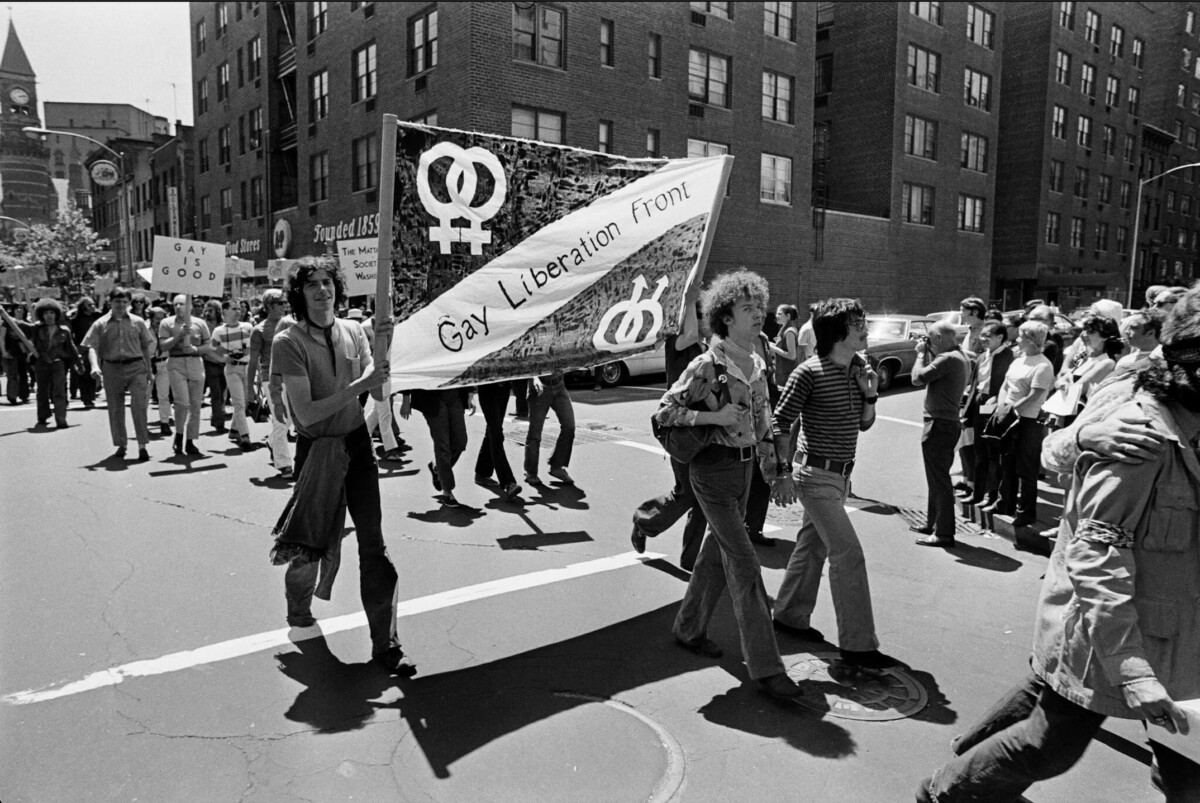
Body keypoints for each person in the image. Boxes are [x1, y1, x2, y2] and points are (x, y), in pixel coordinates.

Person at [917, 285, 1200, 803]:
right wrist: (1085, 439)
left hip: (1168, 623)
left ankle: (966, 762)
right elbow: (1056, 457)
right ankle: (950, 788)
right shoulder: (1138, 417)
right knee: (1051, 738)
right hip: (1105, 614)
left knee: (1051, 701)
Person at [657, 269, 803, 700]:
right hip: (712, 473)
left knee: (714, 558)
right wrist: (713, 417)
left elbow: (763, 424)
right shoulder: (706, 364)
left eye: (760, 305)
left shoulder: (756, 363)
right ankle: (768, 670)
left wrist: (777, 472)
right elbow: (665, 414)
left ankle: (688, 628)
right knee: (744, 564)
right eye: (748, 308)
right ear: (725, 318)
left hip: (743, 473)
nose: (759, 314)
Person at [266, 256, 414, 676]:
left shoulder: (353, 330)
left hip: (357, 447)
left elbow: (377, 382)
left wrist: (383, 350)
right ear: (300, 293)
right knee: (310, 545)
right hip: (317, 452)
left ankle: (385, 644)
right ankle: (299, 608)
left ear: (337, 288)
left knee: (373, 544)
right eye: (311, 284)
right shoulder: (287, 341)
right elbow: (308, 414)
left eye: (327, 282)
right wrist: (361, 385)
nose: (321, 291)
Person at [771, 297, 897, 670]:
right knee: (848, 554)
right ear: (838, 331)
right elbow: (780, 423)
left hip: (841, 476)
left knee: (812, 548)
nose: (866, 328)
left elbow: (864, 423)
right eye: (859, 322)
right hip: (813, 476)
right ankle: (858, 646)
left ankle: (789, 616)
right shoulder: (808, 372)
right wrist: (782, 474)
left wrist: (870, 394)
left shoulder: (860, 368)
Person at [631, 300, 710, 570]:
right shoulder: (677, 341)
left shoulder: (705, 348)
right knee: (687, 493)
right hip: (680, 429)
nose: (710, 322)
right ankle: (644, 522)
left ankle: (691, 563)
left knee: (705, 497)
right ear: (692, 318)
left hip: (705, 429)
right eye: (704, 317)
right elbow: (689, 330)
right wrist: (691, 289)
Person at [984, 321, 1055, 528]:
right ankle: (1004, 503)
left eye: (1022, 336)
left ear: (1032, 340)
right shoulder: (1018, 361)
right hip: (1009, 417)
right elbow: (1006, 385)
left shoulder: (1043, 365)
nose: (1017, 340)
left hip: (1028, 421)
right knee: (1007, 463)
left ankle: (1026, 512)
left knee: (1026, 467)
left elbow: (1035, 395)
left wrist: (1012, 408)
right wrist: (1001, 406)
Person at [910, 321, 971, 547]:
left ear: (938, 337)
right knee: (936, 478)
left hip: (939, 424)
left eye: (929, 339)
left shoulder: (947, 359)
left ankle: (944, 533)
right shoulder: (960, 357)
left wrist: (919, 355)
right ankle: (932, 522)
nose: (928, 343)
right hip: (947, 422)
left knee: (940, 480)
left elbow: (917, 378)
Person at [82, 287, 155, 461]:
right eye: (117, 302)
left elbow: (145, 346)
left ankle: (142, 445)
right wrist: (95, 366)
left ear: (129, 303)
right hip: (112, 368)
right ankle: (121, 444)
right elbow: (93, 346)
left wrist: (149, 370)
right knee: (115, 408)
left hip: (136, 366)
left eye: (124, 302)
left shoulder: (137, 322)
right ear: (110, 302)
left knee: (139, 407)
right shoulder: (100, 323)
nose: (121, 305)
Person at [965, 321, 1014, 509]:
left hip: (996, 406)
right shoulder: (981, 356)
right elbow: (974, 384)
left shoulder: (1008, 356)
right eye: (982, 335)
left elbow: (1008, 385)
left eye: (988, 336)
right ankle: (977, 493)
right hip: (979, 404)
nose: (982, 339)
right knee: (979, 451)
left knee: (993, 454)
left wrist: (996, 399)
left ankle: (991, 494)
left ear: (1000, 337)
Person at [1045, 313, 1121, 429]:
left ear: (1105, 337)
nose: (1084, 335)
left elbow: (1077, 390)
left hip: (1079, 420)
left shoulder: (1107, 362)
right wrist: (1062, 382)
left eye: (1091, 332)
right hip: (1064, 415)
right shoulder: (1086, 357)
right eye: (1084, 330)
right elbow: (1058, 380)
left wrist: (1064, 382)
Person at [248, 289, 294, 478]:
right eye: (280, 302)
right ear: (269, 306)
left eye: (285, 302)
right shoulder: (259, 330)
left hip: (292, 377)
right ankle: (284, 464)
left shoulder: (292, 324)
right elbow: (252, 361)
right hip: (270, 379)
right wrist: (249, 388)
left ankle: (273, 442)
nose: (284, 305)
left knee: (292, 418)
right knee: (280, 420)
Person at [159, 294, 212, 456]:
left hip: (195, 363)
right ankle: (179, 433)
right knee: (182, 402)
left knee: (196, 404)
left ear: (189, 305)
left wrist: (196, 350)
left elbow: (208, 345)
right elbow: (163, 346)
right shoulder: (166, 323)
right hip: (176, 363)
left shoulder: (200, 323)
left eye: (182, 304)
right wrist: (179, 336)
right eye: (175, 304)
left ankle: (190, 440)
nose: (178, 307)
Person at [402, 386, 474, 507]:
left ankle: (437, 468)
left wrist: (470, 393)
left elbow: (464, 367)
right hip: (431, 396)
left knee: (460, 442)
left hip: (455, 392)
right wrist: (405, 397)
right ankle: (447, 491)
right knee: (443, 445)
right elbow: (409, 366)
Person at [953, 297, 988, 497]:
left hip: (973, 389)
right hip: (964, 386)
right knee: (963, 437)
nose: (961, 313)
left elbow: (985, 359)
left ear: (974, 312)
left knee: (970, 438)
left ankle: (973, 482)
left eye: (964, 310)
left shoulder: (984, 332)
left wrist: (962, 354)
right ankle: (966, 478)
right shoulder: (970, 331)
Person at [211, 299, 255, 450]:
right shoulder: (219, 331)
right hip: (232, 369)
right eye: (234, 309)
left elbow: (254, 347)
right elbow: (213, 348)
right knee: (238, 403)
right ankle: (245, 436)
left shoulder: (248, 327)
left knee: (245, 402)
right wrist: (224, 358)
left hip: (247, 368)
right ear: (224, 312)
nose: (238, 311)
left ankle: (234, 430)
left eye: (239, 309)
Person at [29, 298, 79, 429]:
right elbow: (22, 325)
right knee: (42, 391)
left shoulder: (64, 330)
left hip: (58, 363)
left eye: (51, 312)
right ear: (41, 315)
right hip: (42, 362)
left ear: (57, 314)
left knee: (59, 391)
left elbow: (72, 348)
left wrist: (79, 364)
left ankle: (61, 418)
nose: (49, 316)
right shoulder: (37, 328)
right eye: (46, 313)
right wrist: (4, 314)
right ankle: (42, 415)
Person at [524, 371, 575, 487]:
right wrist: (534, 378)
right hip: (540, 387)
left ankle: (557, 466)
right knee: (535, 433)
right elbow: (527, 362)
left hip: (559, 385)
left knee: (569, 426)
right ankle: (531, 472)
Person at [475, 379, 523, 500]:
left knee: (492, 430)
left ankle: (482, 473)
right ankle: (508, 482)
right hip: (487, 387)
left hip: (503, 387)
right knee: (496, 434)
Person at [1100, 307, 1165, 389]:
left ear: (1150, 333)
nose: (1127, 331)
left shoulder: (1163, 361)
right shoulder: (1125, 360)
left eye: (1133, 328)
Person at [201, 299, 228, 433]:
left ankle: (216, 415)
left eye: (210, 311)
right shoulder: (203, 326)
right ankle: (219, 421)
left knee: (222, 392)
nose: (207, 313)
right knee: (216, 393)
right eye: (206, 310)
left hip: (224, 363)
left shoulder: (224, 326)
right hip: (210, 363)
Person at [68, 296, 101, 408]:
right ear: (83, 307)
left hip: (95, 348)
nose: (92, 307)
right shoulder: (76, 319)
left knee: (94, 372)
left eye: (93, 304)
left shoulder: (97, 316)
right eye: (89, 305)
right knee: (84, 373)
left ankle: (91, 395)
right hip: (82, 348)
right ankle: (86, 397)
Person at [147, 306, 173, 435]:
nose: (160, 321)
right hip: (148, 364)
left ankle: (164, 422)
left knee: (163, 395)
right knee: (145, 395)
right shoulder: (144, 329)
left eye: (162, 318)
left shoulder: (168, 329)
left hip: (164, 362)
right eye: (157, 318)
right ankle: (142, 423)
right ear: (151, 318)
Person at [2, 304, 32, 404]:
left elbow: (31, 339)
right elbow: (1, 337)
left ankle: (24, 395)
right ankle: (12, 396)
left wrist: (30, 353)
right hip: (11, 351)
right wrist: (4, 351)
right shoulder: (8, 322)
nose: (19, 310)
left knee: (24, 374)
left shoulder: (28, 324)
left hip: (23, 352)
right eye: (17, 308)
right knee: (13, 374)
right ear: (13, 311)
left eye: (21, 308)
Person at [770, 303, 801, 389]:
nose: (776, 316)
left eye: (780, 314)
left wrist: (774, 348)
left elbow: (792, 356)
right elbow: (781, 347)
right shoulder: (784, 328)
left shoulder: (789, 332)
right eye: (776, 313)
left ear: (788, 316)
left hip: (787, 375)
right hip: (782, 374)